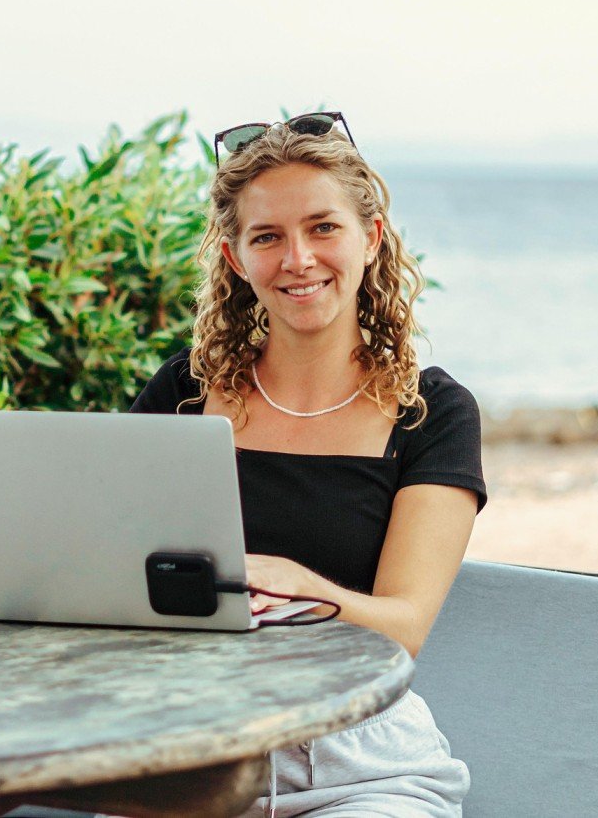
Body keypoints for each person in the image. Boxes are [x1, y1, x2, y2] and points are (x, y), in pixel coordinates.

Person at [130, 112, 486, 817]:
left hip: (360, 766)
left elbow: (404, 627)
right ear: (236, 259)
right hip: (189, 753)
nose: (297, 259)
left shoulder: (431, 412)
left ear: (370, 238)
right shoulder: (183, 395)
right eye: (267, 236)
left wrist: (297, 586)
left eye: (323, 227)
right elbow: (109, 571)